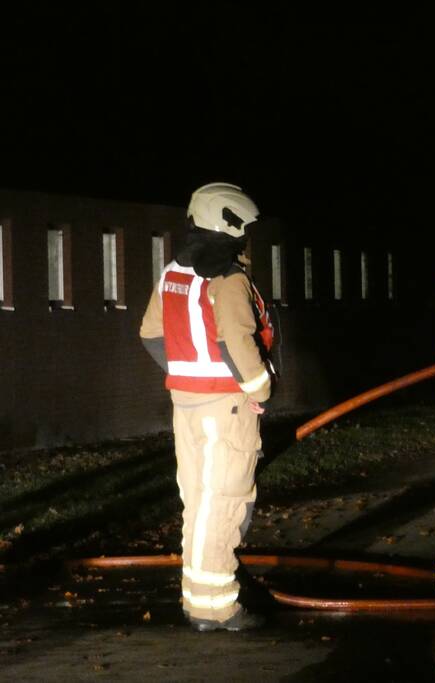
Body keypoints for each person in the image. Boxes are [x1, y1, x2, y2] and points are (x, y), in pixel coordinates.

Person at [139, 182, 275, 632]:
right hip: (227, 407)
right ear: (231, 224)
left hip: (187, 404)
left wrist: (186, 373)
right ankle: (218, 608)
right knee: (226, 501)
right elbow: (236, 343)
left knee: (197, 500)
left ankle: (202, 602)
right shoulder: (229, 280)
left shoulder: (172, 274)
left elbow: (150, 335)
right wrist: (258, 391)